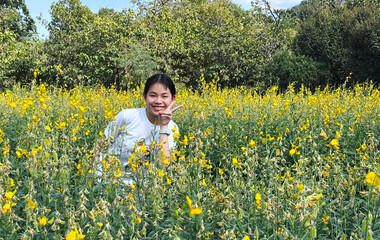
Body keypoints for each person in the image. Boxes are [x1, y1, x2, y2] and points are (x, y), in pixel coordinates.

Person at [100, 74, 183, 184]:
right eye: (153, 95)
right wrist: (89, 179)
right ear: (144, 97)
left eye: (164, 96)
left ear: (173, 99)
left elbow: (163, 166)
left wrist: (163, 126)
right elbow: (100, 146)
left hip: (140, 193)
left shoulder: (172, 128)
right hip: (108, 184)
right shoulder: (127, 116)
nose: (158, 101)